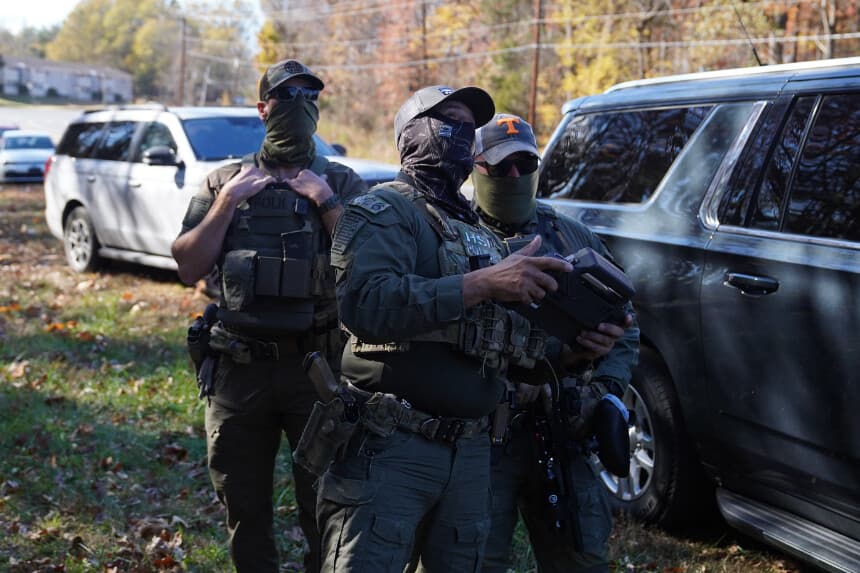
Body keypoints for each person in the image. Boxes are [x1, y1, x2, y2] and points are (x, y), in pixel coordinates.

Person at [315, 86, 573, 572]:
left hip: (472, 452)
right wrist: (480, 283)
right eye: (449, 122)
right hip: (393, 446)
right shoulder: (383, 211)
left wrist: (576, 346)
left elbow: (497, 335)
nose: (462, 136)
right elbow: (365, 305)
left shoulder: (473, 228)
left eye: (468, 128)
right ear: (412, 135)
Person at [171, 59, 366, 573]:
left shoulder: (341, 182)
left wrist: (325, 204)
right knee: (243, 504)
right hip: (239, 371)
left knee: (325, 503)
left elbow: (368, 268)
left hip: (317, 370)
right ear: (263, 110)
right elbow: (188, 263)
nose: (300, 106)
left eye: (310, 96)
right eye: (287, 96)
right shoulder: (223, 181)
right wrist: (229, 203)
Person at [471, 113, 640, 573]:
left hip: (562, 427)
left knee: (581, 557)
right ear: (473, 167)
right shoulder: (454, 237)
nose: (513, 176)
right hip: (482, 437)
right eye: (499, 167)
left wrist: (602, 388)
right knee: (473, 557)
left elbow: (627, 328)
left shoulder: (570, 235)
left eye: (524, 164)